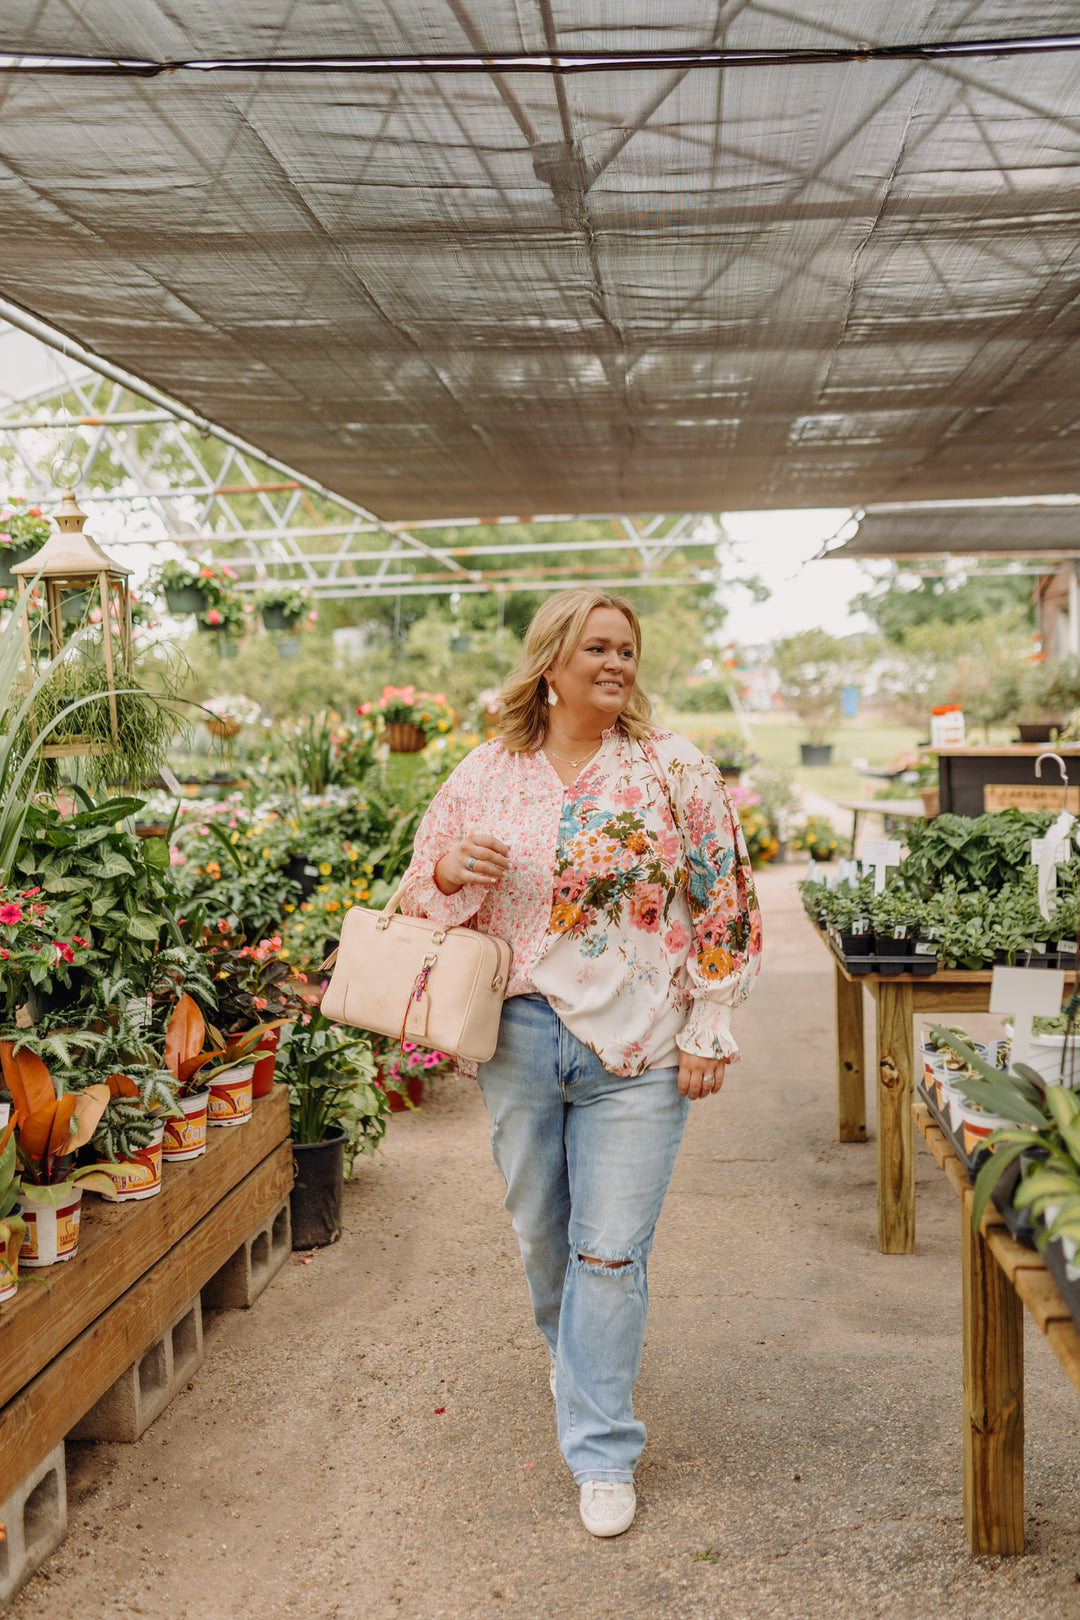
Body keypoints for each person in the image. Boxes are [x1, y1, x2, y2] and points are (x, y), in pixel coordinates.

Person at [398, 588, 762, 1537]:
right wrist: (446, 874)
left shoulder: (670, 767)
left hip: (638, 1046)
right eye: (596, 648)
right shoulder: (489, 772)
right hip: (520, 1040)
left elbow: (727, 896)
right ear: (550, 663)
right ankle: (576, 1355)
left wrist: (710, 1024)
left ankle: (601, 1449)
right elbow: (414, 899)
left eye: (627, 650)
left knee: (610, 1251)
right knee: (540, 1233)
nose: (616, 664)